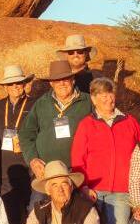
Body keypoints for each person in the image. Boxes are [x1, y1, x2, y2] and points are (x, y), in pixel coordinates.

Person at [69, 78, 140, 224]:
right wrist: (84, 187)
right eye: (102, 95)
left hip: (121, 191)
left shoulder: (130, 122)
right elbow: (78, 159)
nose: (107, 99)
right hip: (93, 191)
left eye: (110, 94)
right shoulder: (86, 124)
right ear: (93, 99)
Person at [18, 60, 92, 208]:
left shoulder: (87, 102)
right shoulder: (42, 103)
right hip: (46, 172)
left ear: (73, 79)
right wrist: (33, 160)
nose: (62, 83)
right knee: (37, 212)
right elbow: (26, 134)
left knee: (75, 214)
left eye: (66, 79)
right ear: (51, 83)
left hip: (75, 172)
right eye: (57, 80)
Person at [0, 65, 36, 224]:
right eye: (12, 83)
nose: (16, 86)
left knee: (30, 215)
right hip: (5, 170)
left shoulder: (34, 105)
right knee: (8, 215)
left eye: (20, 82)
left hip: (28, 169)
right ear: (5, 87)